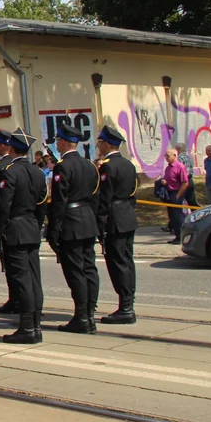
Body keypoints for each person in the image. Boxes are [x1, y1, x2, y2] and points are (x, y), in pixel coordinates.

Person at [0, 128, 48, 344]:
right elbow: (42, 202)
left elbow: (3, 206)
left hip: (14, 228)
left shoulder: (10, 171)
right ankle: (36, 325)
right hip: (32, 226)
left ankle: (26, 327)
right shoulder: (37, 171)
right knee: (34, 278)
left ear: (12, 148)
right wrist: (37, 224)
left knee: (21, 279)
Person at [47, 123, 102, 334]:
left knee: (75, 271)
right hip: (88, 220)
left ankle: (81, 316)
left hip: (71, 221)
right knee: (89, 268)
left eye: (58, 141)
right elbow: (95, 196)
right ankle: (89, 313)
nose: (56, 144)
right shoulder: (89, 165)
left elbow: (59, 201)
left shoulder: (63, 167)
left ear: (63, 142)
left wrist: (53, 229)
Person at [95, 126, 140, 325]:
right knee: (127, 261)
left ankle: (126, 308)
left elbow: (104, 199)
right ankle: (128, 302)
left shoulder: (108, 166)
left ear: (106, 144)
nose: (98, 146)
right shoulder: (128, 165)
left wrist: (99, 224)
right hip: (127, 215)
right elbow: (133, 192)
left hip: (114, 219)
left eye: (99, 143)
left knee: (117, 263)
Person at [0, 130, 18, 315]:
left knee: (12, 266)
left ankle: (15, 299)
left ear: (5, 146)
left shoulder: (1, 167)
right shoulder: (26, 165)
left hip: (8, 223)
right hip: (26, 223)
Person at [159, 148, 189, 243]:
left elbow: (185, 183)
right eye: (165, 155)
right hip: (169, 193)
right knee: (172, 216)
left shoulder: (180, 167)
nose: (166, 157)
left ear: (174, 155)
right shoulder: (168, 167)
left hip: (177, 192)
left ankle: (181, 236)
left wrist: (178, 196)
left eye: (168, 155)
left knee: (178, 216)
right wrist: (164, 182)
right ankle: (177, 235)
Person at [176, 143, 198, 209]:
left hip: (183, 181)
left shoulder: (179, 158)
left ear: (178, 149)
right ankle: (197, 214)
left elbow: (178, 170)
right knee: (191, 200)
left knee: (180, 199)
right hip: (190, 179)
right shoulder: (189, 158)